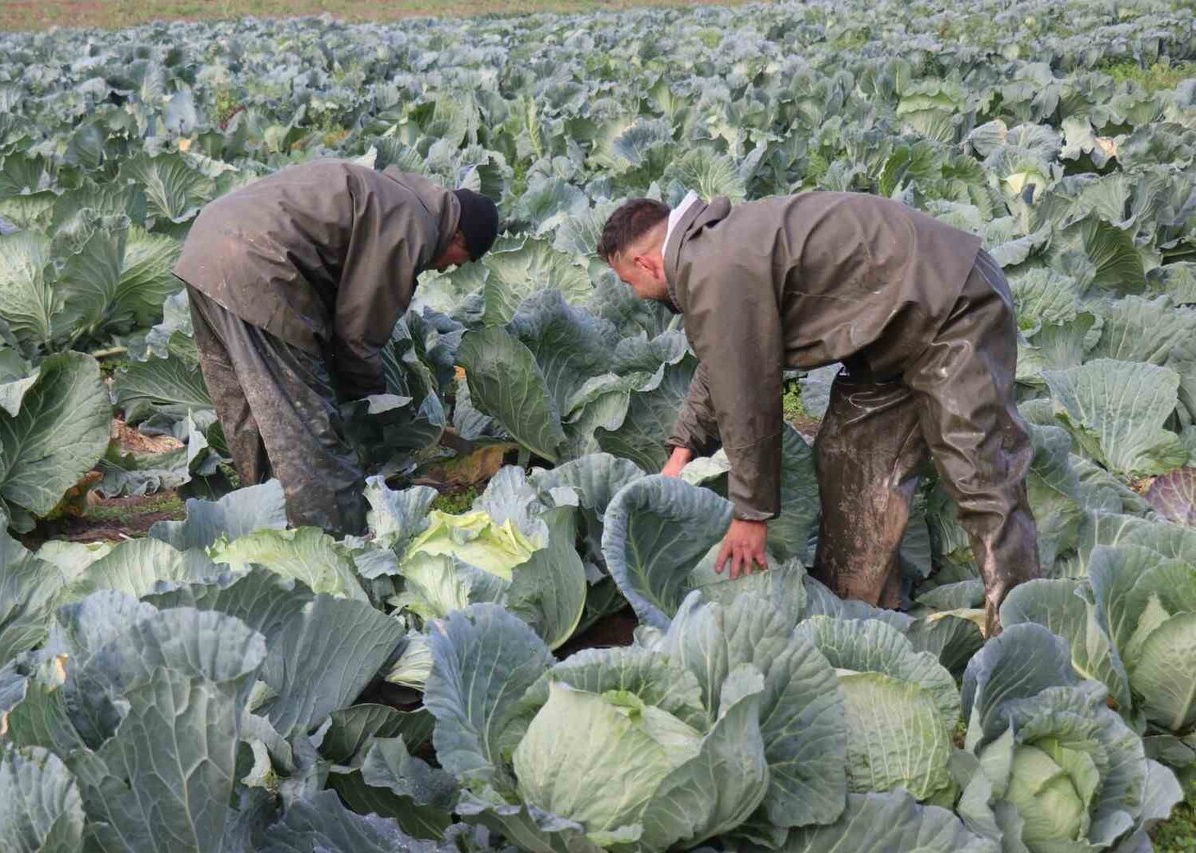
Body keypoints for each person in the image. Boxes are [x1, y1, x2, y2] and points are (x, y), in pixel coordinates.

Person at [598, 190, 1038, 635]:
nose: (634, 295)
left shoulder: (714, 266)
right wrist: (682, 450)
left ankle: (1020, 637)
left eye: (626, 282)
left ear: (646, 264)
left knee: (978, 473)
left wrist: (751, 514)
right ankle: (856, 619)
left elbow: (748, 398)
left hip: (951, 301)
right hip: (889, 332)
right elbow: (727, 363)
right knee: (847, 460)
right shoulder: (711, 254)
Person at [174, 160, 499, 536]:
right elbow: (358, 334)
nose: (447, 271)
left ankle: (265, 524)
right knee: (306, 431)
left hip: (206, 250)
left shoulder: (396, 198)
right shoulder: (415, 227)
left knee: (248, 409)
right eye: (463, 261)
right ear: (459, 238)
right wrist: (371, 408)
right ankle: (333, 543)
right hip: (261, 268)